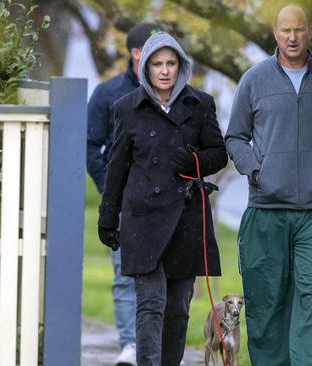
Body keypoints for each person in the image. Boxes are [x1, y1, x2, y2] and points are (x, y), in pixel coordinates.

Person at [225, 3, 312, 365]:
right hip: (266, 211)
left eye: (298, 29)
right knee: (267, 304)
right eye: (285, 30)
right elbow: (235, 136)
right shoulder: (254, 80)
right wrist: (256, 171)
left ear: (309, 32)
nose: (292, 36)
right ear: (275, 34)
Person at [97, 31, 227, 366]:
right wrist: (108, 218)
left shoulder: (200, 104)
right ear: (146, 68)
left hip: (185, 219)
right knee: (150, 305)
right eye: (157, 64)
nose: (164, 70)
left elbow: (219, 154)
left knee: (178, 309)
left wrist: (195, 160)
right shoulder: (128, 108)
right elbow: (117, 166)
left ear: (181, 66)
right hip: (143, 220)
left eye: (171, 63)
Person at [87, 22, 156, 366]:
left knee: (165, 279)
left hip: (164, 205)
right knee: (125, 275)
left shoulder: (176, 95)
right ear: (135, 53)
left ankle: (154, 347)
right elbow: (91, 146)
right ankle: (130, 345)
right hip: (124, 206)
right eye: (154, 51)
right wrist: (110, 190)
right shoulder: (108, 94)